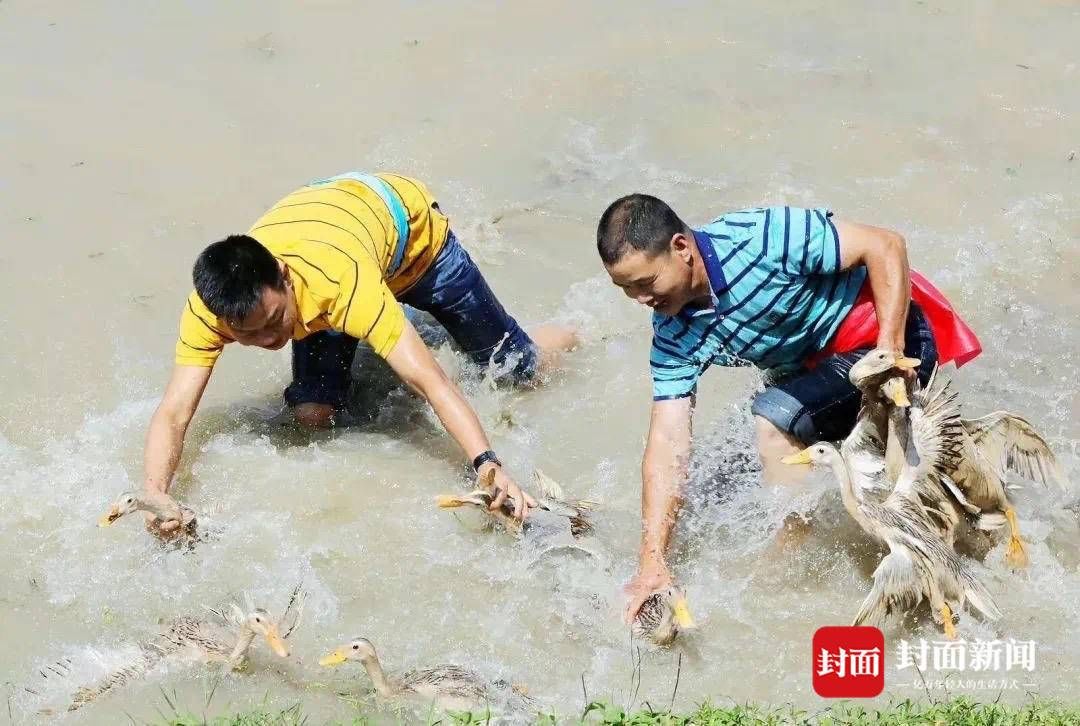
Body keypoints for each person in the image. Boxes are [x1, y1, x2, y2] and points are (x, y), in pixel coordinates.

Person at [595, 194, 981, 622]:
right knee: (709, 486)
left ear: (681, 249)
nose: (639, 299)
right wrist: (651, 561)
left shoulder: (762, 238)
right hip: (816, 374)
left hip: (882, 344)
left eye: (645, 282)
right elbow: (667, 442)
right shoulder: (674, 332)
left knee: (771, 419)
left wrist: (888, 353)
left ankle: (792, 559)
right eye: (625, 289)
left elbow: (886, 245)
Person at [145, 171, 577, 534]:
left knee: (520, 371)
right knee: (312, 415)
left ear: (284, 276)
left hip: (417, 245)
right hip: (335, 226)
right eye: (249, 335)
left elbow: (430, 382)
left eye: (276, 321)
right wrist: (157, 494)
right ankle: (377, 331)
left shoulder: (338, 282)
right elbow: (174, 411)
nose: (270, 339)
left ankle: (571, 334)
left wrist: (488, 465)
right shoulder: (211, 308)